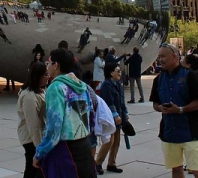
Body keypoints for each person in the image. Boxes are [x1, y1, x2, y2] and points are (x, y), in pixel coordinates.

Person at [32, 48, 96, 178]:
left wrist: (40, 153)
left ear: (56, 65)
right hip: (84, 146)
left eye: (49, 63)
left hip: (66, 151)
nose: (47, 66)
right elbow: (91, 117)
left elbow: (54, 127)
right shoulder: (82, 86)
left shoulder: (56, 88)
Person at [150, 43, 198, 178]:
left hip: (190, 132)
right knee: (176, 170)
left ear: (174, 56)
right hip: (169, 132)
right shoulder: (158, 79)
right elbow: (155, 103)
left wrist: (181, 109)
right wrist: (160, 108)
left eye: (163, 56)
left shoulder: (191, 76)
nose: (160, 60)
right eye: (159, 57)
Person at [17, 62, 48, 178]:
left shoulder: (40, 91)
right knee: (32, 169)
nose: (48, 77)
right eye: (45, 74)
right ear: (38, 76)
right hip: (31, 139)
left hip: (37, 136)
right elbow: (33, 124)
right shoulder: (29, 97)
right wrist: (39, 147)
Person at [95, 62, 127, 174]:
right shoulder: (106, 85)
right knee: (109, 141)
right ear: (110, 73)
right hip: (110, 118)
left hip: (119, 117)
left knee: (116, 141)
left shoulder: (118, 84)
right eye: (117, 71)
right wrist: (115, 115)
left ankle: (111, 164)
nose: (120, 73)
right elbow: (109, 102)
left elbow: (122, 102)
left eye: (120, 71)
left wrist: (125, 114)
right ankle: (97, 163)